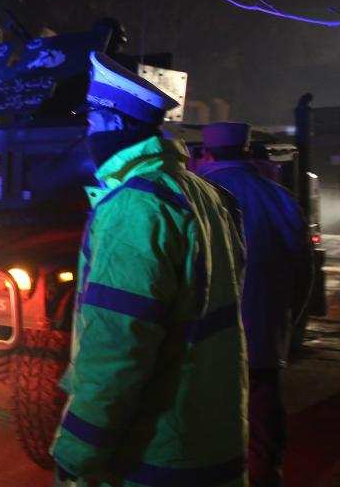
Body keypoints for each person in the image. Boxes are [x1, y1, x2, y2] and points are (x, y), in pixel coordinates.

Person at [51, 51, 248, 487]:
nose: (89, 132)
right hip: (211, 440)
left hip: (154, 456)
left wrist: (77, 452)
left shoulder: (135, 206)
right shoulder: (201, 191)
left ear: (114, 124)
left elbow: (117, 347)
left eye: (93, 121)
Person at [196, 122, 313, 487]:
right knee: (262, 433)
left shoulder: (192, 197)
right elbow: (303, 273)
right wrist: (284, 326)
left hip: (204, 344)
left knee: (204, 433)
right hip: (263, 341)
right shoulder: (278, 198)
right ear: (248, 153)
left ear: (207, 154)